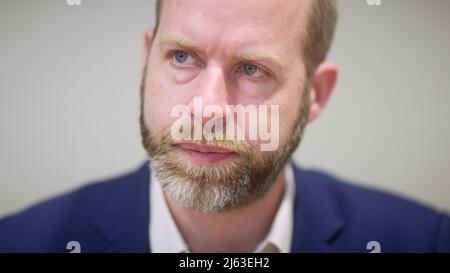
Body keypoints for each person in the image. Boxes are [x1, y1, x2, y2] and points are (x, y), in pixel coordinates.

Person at [1, 0, 449, 253]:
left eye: (252, 69)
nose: (205, 110)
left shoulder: (425, 242)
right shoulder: (20, 244)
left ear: (316, 94)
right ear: (147, 57)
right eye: (182, 57)